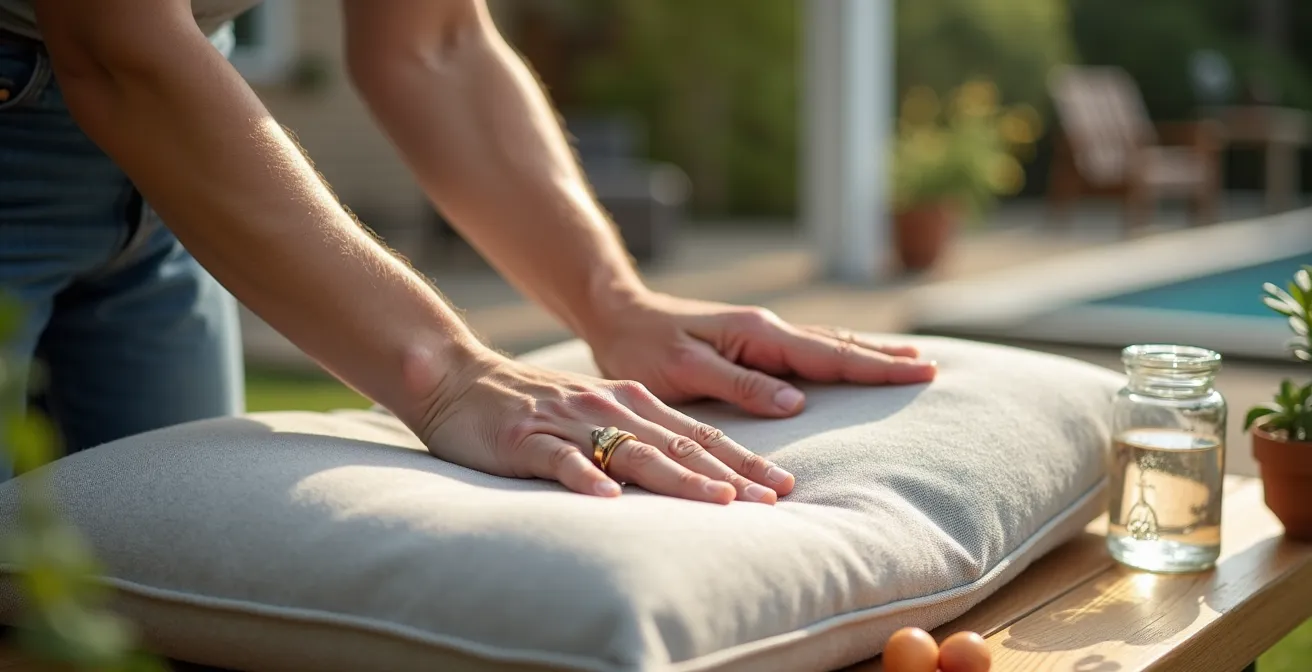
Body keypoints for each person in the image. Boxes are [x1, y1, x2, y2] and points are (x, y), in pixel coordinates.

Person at [0, 0, 936, 504]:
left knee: (168, 589)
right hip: (96, 95)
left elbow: (434, 40)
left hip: (179, 151)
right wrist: (449, 375)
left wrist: (614, 304)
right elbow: (117, 47)